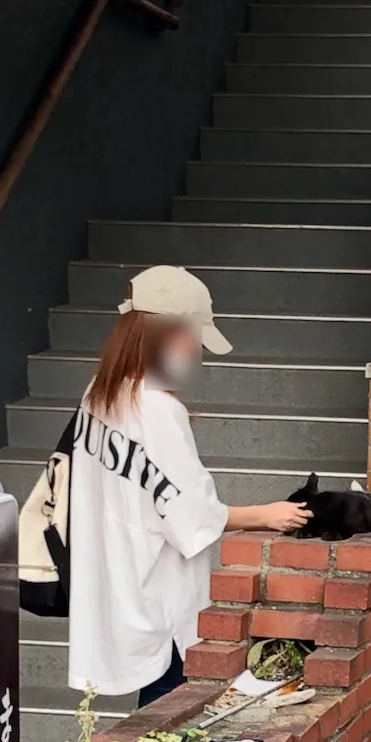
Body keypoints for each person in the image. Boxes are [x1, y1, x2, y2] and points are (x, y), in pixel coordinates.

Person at [68, 265, 310, 708]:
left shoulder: (97, 396)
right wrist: (268, 515)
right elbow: (193, 519)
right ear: (170, 335)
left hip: (116, 588)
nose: (197, 349)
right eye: (194, 336)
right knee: (166, 728)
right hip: (162, 603)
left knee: (148, 728)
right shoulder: (158, 410)